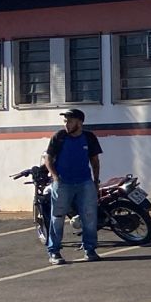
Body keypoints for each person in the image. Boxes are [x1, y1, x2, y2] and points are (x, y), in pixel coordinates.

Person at [45, 108, 104, 264]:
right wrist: (55, 177)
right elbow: (48, 158)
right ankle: (54, 252)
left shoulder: (89, 137)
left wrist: (95, 181)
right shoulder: (59, 137)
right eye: (65, 121)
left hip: (84, 182)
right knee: (57, 218)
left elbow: (95, 161)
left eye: (69, 121)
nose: (66, 124)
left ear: (79, 122)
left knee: (89, 217)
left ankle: (89, 249)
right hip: (63, 183)